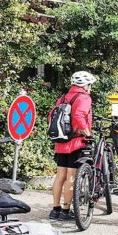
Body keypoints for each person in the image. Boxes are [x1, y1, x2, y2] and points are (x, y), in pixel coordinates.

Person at [50, 71, 95, 220]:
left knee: (60, 176)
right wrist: (87, 133)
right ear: (86, 85)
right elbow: (78, 116)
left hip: (61, 141)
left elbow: (51, 116)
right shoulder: (84, 97)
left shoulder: (63, 97)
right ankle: (65, 211)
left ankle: (55, 209)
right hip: (75, 142)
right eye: (90, 85)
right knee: (71, 177)